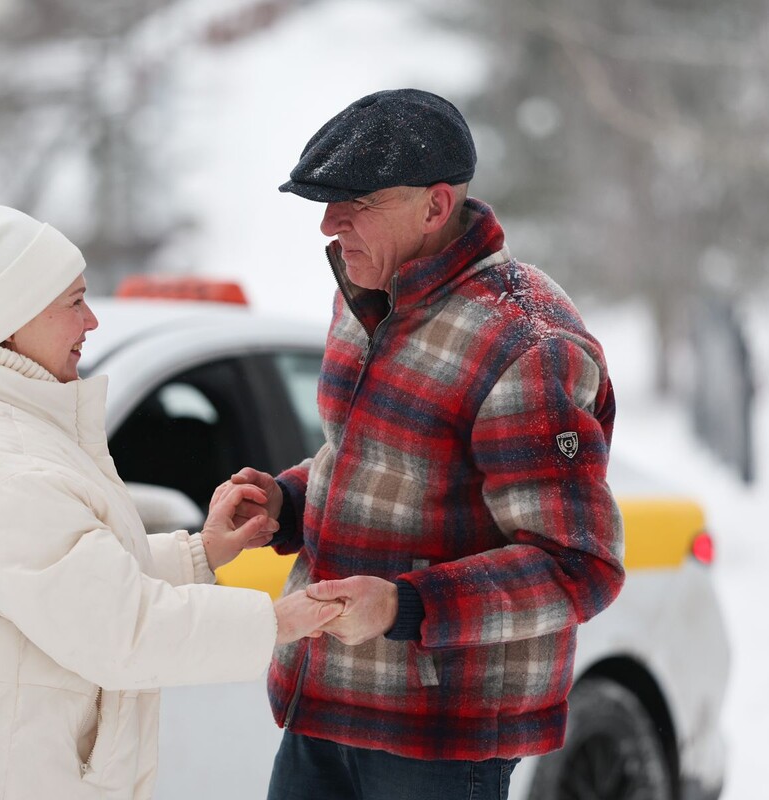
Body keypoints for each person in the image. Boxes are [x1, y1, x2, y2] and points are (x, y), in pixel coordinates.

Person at [0, 200, 343, 800]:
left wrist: (201, 553)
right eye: (73, 302)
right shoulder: (1, 463)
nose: (91, 322)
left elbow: (66, 582)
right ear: (15, 316)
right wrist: (277, 621)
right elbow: (122, 632)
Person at [227, 89, 626, 800]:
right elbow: (369, 466)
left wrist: (403, 606)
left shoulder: (525, 343)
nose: (328, 224)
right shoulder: (363, 296)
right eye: (324, 203)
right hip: (320, 709)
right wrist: (285, 502)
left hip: (437, 744)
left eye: (354, 204)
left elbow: (578, 566)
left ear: (435, 207)